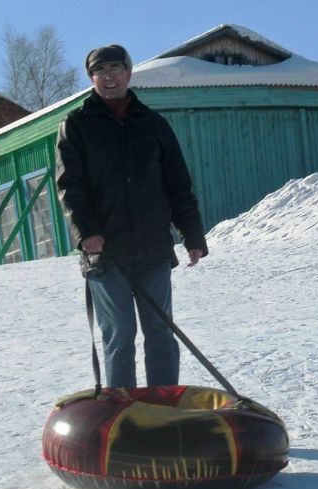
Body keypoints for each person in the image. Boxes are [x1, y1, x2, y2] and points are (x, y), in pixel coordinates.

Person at [56, 44, 208, 389]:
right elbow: (69, 185)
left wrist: (193, 236)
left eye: (115, 69)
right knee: (120, 333)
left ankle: (164, 406)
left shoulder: (153, 125)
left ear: (128, 73)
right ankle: (122, 416)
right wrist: (86, 232)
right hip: (105, 251)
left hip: (153, 248)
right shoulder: (76, 125)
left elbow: (177, 185)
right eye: (100, 71)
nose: (108, 77)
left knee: (160, 330)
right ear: (91, 78)